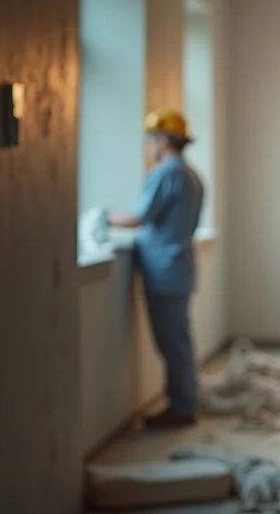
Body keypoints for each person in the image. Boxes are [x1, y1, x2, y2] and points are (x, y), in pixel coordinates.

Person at [107, 109, 204, 428]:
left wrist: (105, 217)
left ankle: (182, 407)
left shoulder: (166, 174)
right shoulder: (191, 175)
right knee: (179, 341)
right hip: (178, 267)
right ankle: (185, 401)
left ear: (162, 140)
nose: (148, 146)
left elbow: (139, 217)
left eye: (151, 139)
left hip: (164, 270)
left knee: (172, 342)